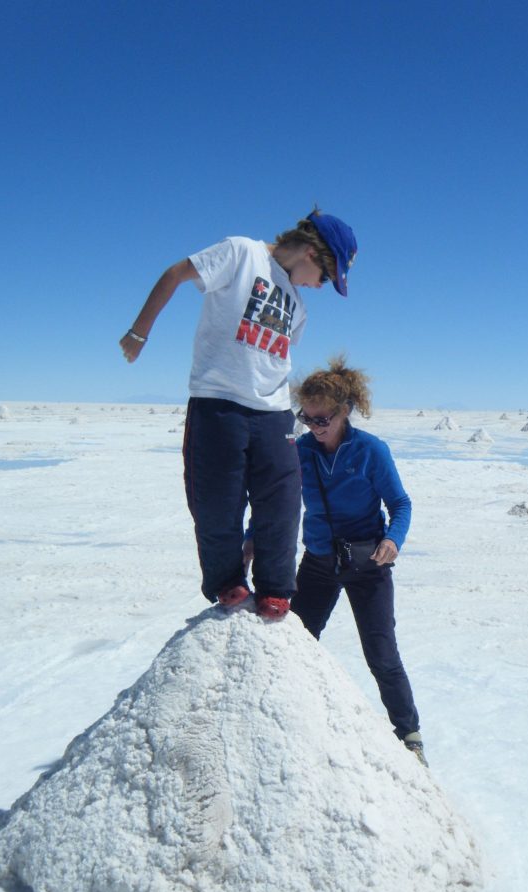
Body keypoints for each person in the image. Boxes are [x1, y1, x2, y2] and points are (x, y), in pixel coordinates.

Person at [119, 210, 357, 620]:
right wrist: (139, 331)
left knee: (281, 501)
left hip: (273, 412)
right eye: (324, 278)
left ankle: (275, 588)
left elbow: (275, 358)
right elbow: (175, 273)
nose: (318, 288)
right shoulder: (242, 252)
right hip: (218, 402)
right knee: (217, 499)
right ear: (312, 253)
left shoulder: (297, 306)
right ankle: (227, 580)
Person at [288, 357, 427, 765]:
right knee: (296, 643)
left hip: (367, 563)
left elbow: (399, 503)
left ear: (344, 410)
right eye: (306, 418)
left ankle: (410, 735)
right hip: (317, 563)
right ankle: (296, 720)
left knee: (381, 653)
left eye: (322, 418)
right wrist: (250, 540)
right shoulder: (300, 453)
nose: (314, 426)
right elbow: (273, 502)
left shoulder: (370, 451)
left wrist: (393, 539)